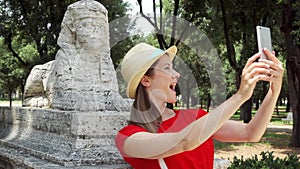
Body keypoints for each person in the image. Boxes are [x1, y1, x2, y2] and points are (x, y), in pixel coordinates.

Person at [115, 43, 284, 169]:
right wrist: (240, 96)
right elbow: (184, 141)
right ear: (146, 80)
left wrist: (274, 90)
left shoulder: (196, 117)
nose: (177, 74)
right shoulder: (128, 138)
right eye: (167, 68)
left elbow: (251, 133)